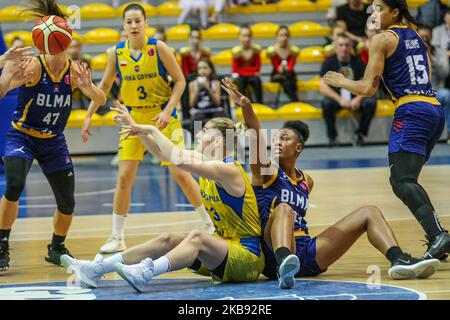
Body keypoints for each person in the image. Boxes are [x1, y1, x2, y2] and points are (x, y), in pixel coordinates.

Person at [221, 77, 441, 289]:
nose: (277, 142)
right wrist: (247, 108)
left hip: (305, 251)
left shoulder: (306, 180)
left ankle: (398, 260)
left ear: (298, 148)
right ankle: (283, 263)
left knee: (369, 212)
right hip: (272, 254)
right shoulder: (266, 173)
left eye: (285, 138)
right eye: (276, 138)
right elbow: (257, 140)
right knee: (284, 208)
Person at [61, 102, 265, 292]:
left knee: (197, 236)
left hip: (247, 259)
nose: (198, 136)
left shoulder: (228, 169)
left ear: (218, 140)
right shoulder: (207, 162)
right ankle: (97, 269)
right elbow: (165, 155)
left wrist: (151, 129)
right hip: (224, 252)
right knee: (168, 239)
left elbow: (178, 157)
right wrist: (138, 130)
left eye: (203, 132)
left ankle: (146, 272)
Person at [81, 3, 215, 255]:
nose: (133, 26)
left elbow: (181, 81)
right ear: (123, 25)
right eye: (129, 22)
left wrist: (167, 111)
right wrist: (88, 114)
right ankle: (117, 236)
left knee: (182, 174)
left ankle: (210, 224)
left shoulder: (159, 48)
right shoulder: (115, 53)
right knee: (123, 178)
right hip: (131, 119)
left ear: (145, 23)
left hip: (161, 116)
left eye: (137, 21)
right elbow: (104, 88)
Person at [323, 0, 450, 259]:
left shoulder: (382, 40)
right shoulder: (416, 35)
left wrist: (341, 81)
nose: (374, 13)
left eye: (379, 8)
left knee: (402, 180)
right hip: (434, 110)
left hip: (412, 110)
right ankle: (438, 236)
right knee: (407, 178)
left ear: (394, 12)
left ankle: (438, 235)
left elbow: (369, 88)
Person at [0, 0, 107, 272]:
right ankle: (1, 244)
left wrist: (87, 87)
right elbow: (2, 91)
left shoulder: (74, 70)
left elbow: (101, 98)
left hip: (54, 142)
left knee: (67, 202)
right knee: (13, 185)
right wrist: (8, 73)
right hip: (22, 136)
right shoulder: (33, 67)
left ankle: (56, 247)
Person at [320, 33, 377, 147]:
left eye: (347, 45)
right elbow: (322, 86)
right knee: (326, 103)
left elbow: (368, 84)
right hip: (338, 99)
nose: (344, 48)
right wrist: (340, 99)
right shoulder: (328, 63)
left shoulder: (359, 62)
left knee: (371, 102)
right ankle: (333, 137)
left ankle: (360, 135)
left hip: (354, 98)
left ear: (351, 47)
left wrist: (358, 99)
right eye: (341, 45)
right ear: (335, 47)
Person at [418, 25, 450, 143]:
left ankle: (449, 133)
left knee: (447, 95)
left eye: (426, 37)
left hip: (435, 90)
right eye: (422, 37)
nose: (424, 39)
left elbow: (444, 73)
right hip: (417, 91)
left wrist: (430, 55)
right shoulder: (409, 51)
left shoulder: (438, 52)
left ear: (431, 37)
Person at [188, 59, 224, 136]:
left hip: (214, 109)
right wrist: (197, 90)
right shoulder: (193, 84)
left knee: (223, 119)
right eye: (200, 68)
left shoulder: (215, 82)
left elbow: (218, 103)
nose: (202, 71)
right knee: (196, 120)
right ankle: (197, 144)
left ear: (211, 69)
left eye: (205, 68)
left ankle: (229, 144)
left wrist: (208, 88)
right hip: (199, 111)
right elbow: (191, 104)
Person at [266, 26, 300, 104]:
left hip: (289, 74)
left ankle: (294, 101)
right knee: (288, 79)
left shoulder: (293, 50)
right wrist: (281, 68)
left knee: (288, 78)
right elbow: (276, 67)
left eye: (286, 35)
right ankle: (295, 101)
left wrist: (286, 68)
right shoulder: (272, 51)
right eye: (281, 35)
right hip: (277, 74)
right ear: (277, 36)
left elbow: (291, 67)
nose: (284, 38)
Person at [232, 25, 263, 104]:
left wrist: (244, 71)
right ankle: (239, 104)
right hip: (242, 78)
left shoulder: (256, 51)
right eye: (244, 36)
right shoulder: (236, 52)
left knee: (257, 81)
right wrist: (251, 72)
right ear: (239, 37)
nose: (247, 38)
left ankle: (259, 103)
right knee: (241, 81)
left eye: (249, 36)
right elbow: (235, 69)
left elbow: (257, 68)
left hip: (251, 77)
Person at [67, 38, 93, 111]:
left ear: (80, 47)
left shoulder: (86, 60)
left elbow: (89, 75)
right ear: (67, 49)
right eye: (71, 47)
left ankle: (94, 108)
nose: (74, 50)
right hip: (70, 83)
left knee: (91, 86)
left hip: (84, 82)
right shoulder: (65, 61)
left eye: (76, 47)